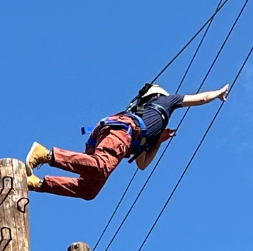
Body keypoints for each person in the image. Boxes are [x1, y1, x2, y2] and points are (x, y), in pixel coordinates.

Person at [26, 82, 230, 200]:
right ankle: (46, 154)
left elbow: (142, 165)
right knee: (102, 166)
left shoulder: (149, 134)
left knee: (89, 190)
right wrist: (218, 93)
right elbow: (201, 99)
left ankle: (38, 183)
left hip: (114, 136)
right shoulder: (165, 101)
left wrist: (158, 141)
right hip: (121, 131)